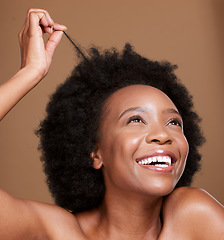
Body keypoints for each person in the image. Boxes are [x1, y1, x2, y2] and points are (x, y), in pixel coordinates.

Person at [0, 8, 223, 240]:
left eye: (174, 122)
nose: (162, 135)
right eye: (135, 119)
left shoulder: (193, 217)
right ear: (96, 153)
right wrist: (30, 73)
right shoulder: (57, 231)